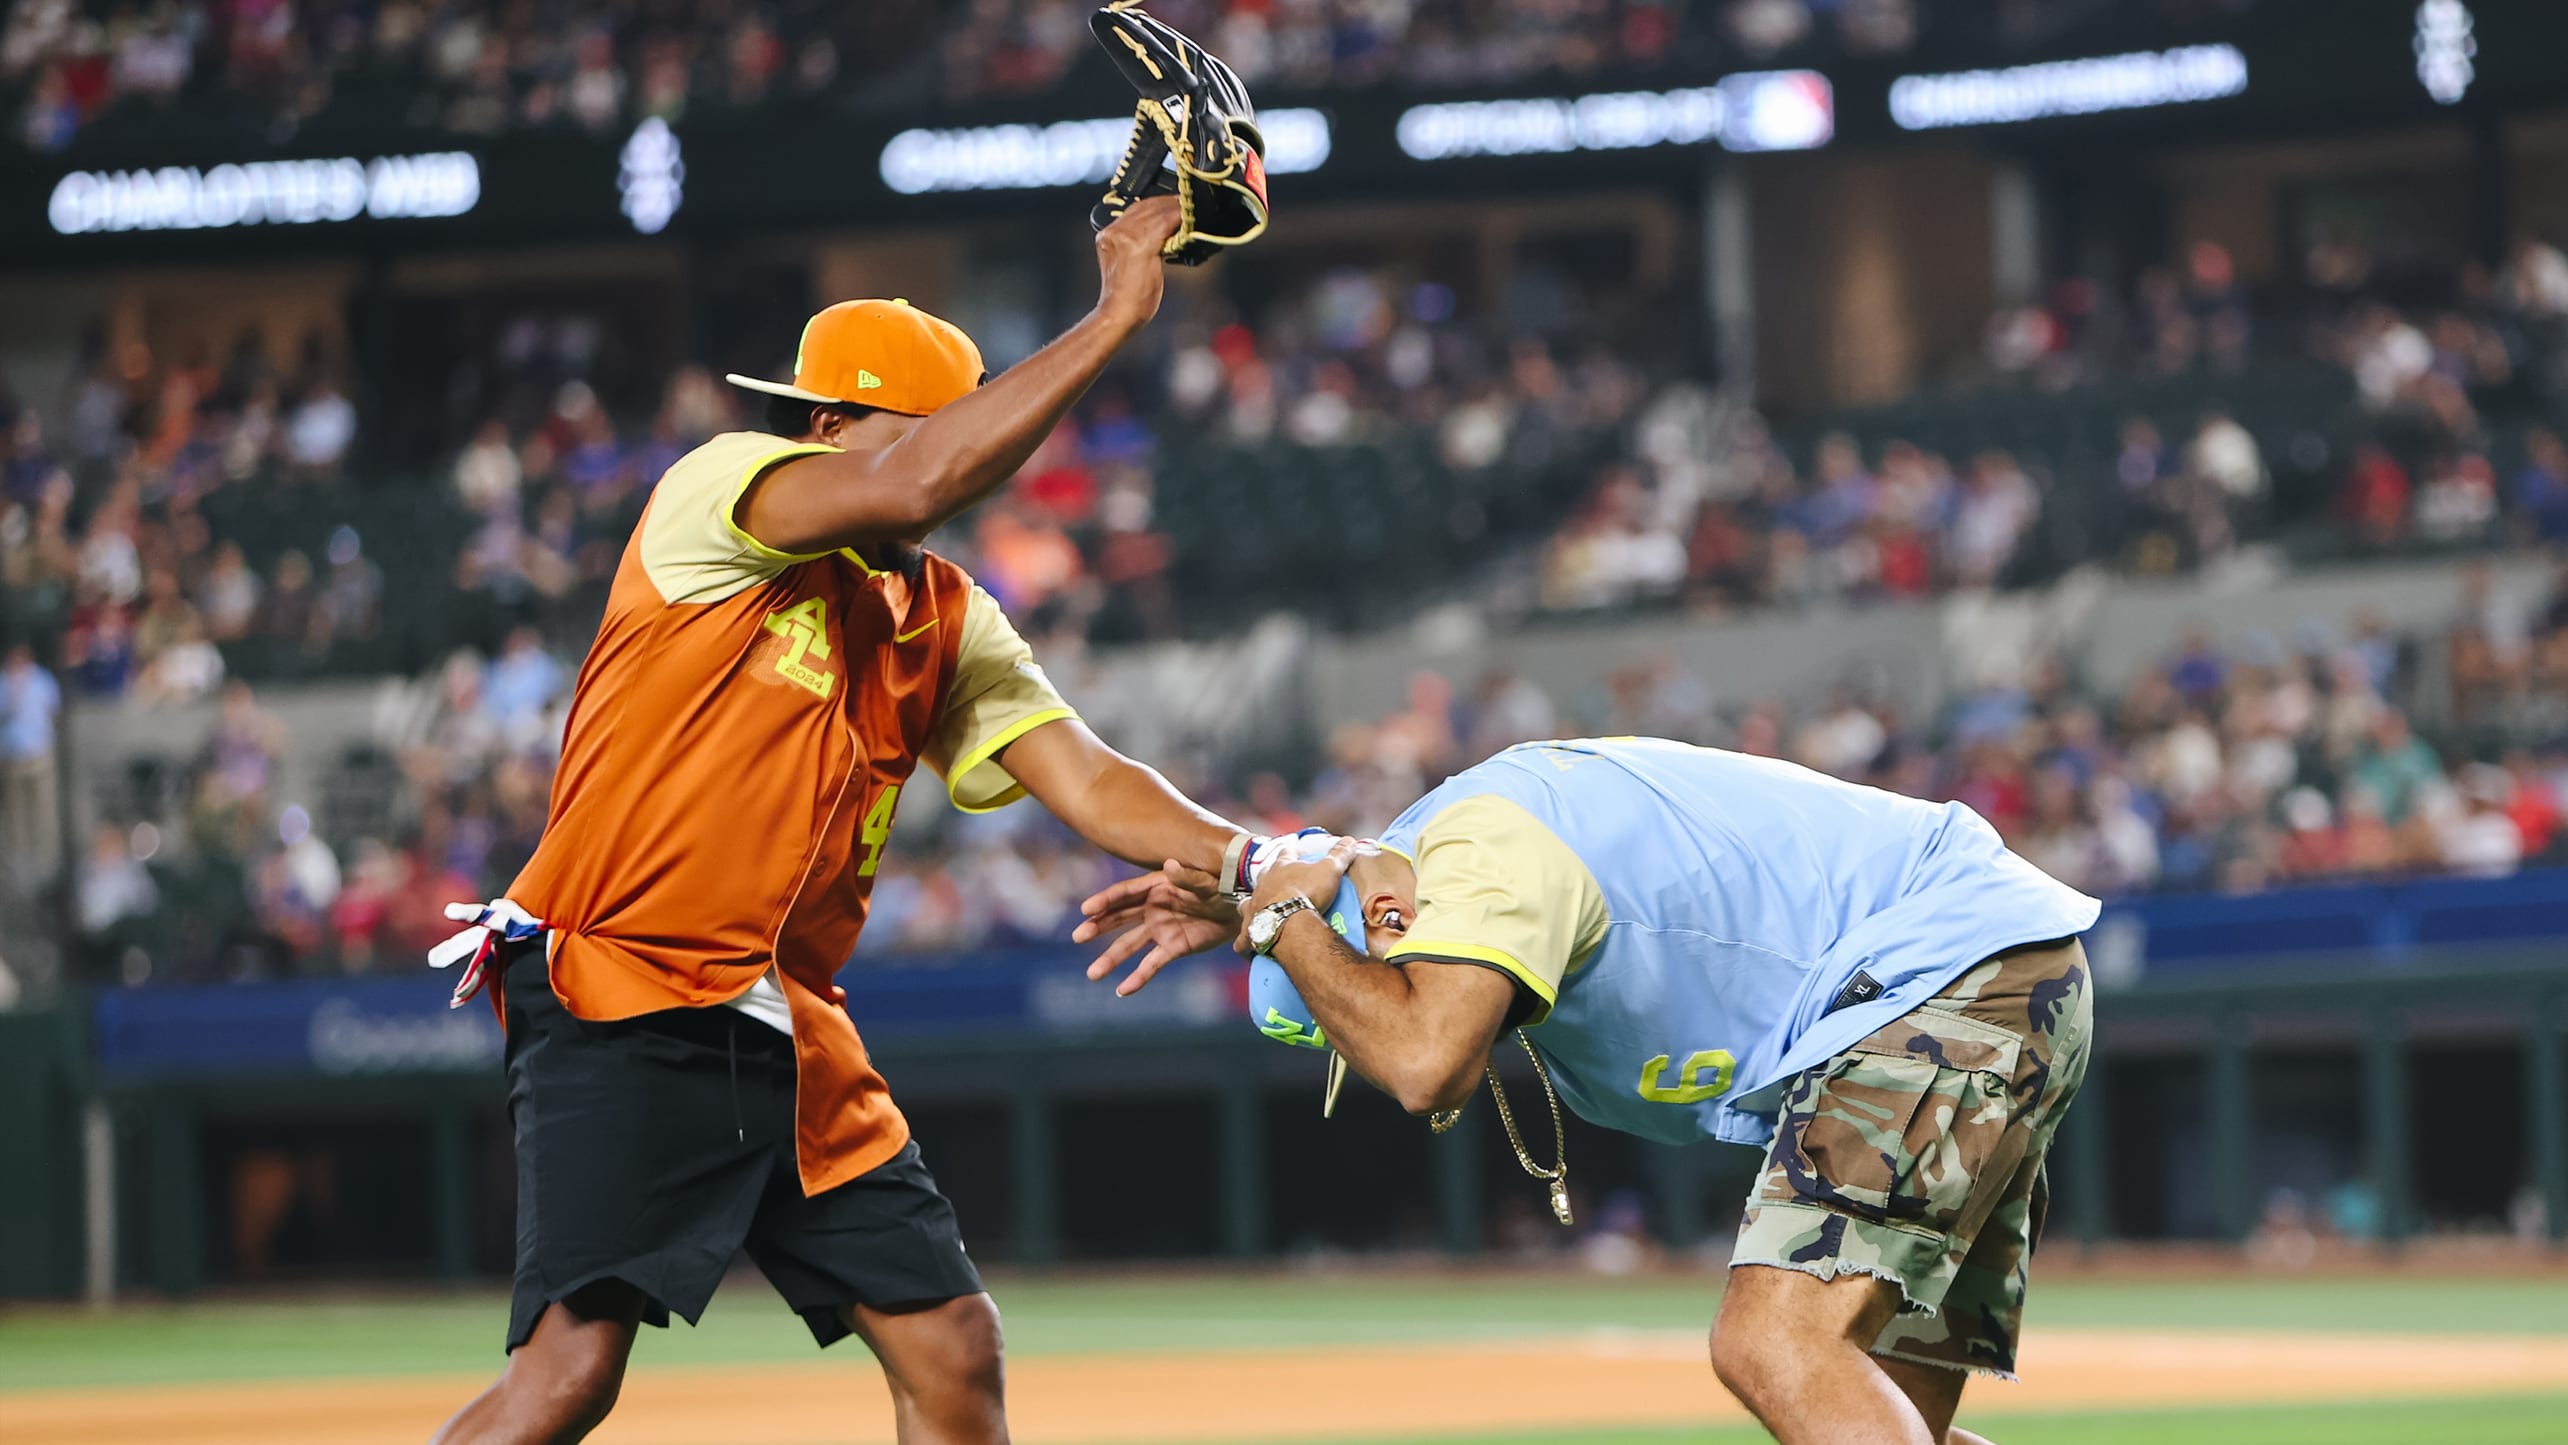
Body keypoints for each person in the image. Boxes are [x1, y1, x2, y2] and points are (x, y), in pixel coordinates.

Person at [431, 196, 1258, 1445]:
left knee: (953, 1351)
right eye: (935, 431)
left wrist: (1261, 857)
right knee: (567, 1378)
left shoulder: (944, 611)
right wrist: (1115, 313)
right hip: (625, 985)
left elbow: (1092, 781)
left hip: (791, 1026)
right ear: (825, 427)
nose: (970, 461)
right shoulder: (719, 494)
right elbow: (919, 470)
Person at [1079, 736, 2100, 1445]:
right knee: (1876, 1411)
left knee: (1771, 1341)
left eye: (1385, 977)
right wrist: (1270, 909)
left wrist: (1284, 924)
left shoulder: (1479, 850)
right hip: (1993, 971)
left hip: (1952, 973)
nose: (1392, 1008)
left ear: (1393, 912)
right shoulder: (1450, 869)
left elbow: (1424, 1057)